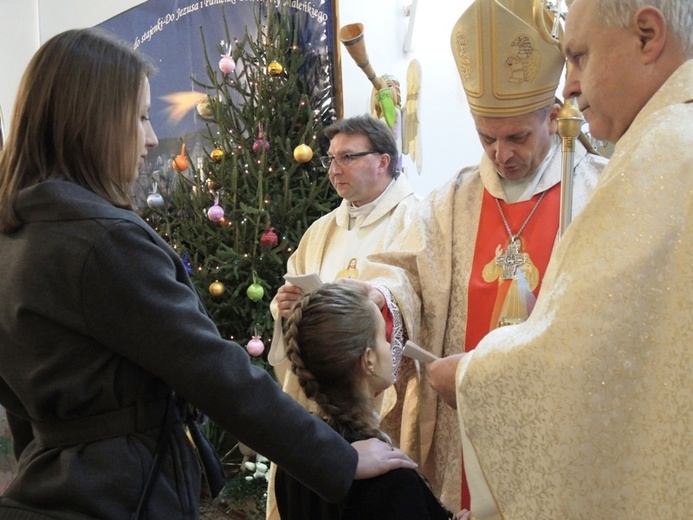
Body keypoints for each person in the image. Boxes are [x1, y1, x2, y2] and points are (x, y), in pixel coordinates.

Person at [0, 28, 416, 519]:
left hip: (48, 488)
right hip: (119, 494)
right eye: (139, 116)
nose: (152, 137)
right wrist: (338, 456)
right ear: (91, 122)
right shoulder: (105, 241)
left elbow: (20, 404)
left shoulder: (16, 237)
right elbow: (214, 372)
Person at [428, 0, 693, 517]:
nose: (571, 87)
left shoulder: (657, 159)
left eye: (579, 57)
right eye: (488, 138)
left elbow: (590, 357)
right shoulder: (454, 199)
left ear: (647, 36)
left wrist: (471, 380)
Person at [357, 0, 609, 510]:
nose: (501, 153)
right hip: (463, 424)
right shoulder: (452, 203)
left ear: (555, 115)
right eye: (486, 137)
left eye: (517, 136)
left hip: (562, 426)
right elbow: (404, 272)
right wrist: (377, 297)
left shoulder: (599, 192)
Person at [265, 113, 420, 519]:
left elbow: (423, 292)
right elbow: (294, 296)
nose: (334, 170)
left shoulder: (416, 217)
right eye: (330, 159)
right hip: (320, 401)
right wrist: (284, 307)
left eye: (347, 157)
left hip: (379, 393)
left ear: (383, 160)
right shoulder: (321, 229)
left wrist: (380, 297)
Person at [274, 283, 467, 520]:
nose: (390, 345)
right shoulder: (393, 478)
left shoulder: (296, 461)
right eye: (384, 338)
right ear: (369, 359)